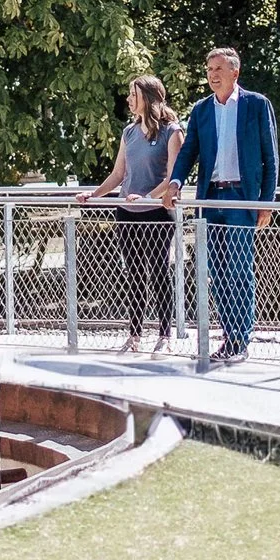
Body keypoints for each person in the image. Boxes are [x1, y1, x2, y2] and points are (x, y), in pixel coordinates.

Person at [158, 48, 278, 363]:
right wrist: (175, 183)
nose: (213, 74)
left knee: (239, 269)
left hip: (241, 197)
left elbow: (271, 157)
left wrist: (266, 202)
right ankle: (230, 335)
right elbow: (188, 153)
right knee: (217, 271)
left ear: (235, 73)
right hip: (210, 199)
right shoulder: (201, 110)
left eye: (219, 68)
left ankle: (240, 339)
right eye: (209, 68)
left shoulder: (256, 105)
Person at [76, 76, 183, 354]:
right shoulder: (129, 132)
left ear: (147, 97)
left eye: (133, 94)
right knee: (134, 273)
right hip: (127, 212)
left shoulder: (172, 131)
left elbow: (173, 177)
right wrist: (93, 195)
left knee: (159, 271)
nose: (128, 99)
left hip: (157, 212)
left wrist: (148, 197)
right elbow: (118, 174)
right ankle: (134, 335)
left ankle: (165, 335)